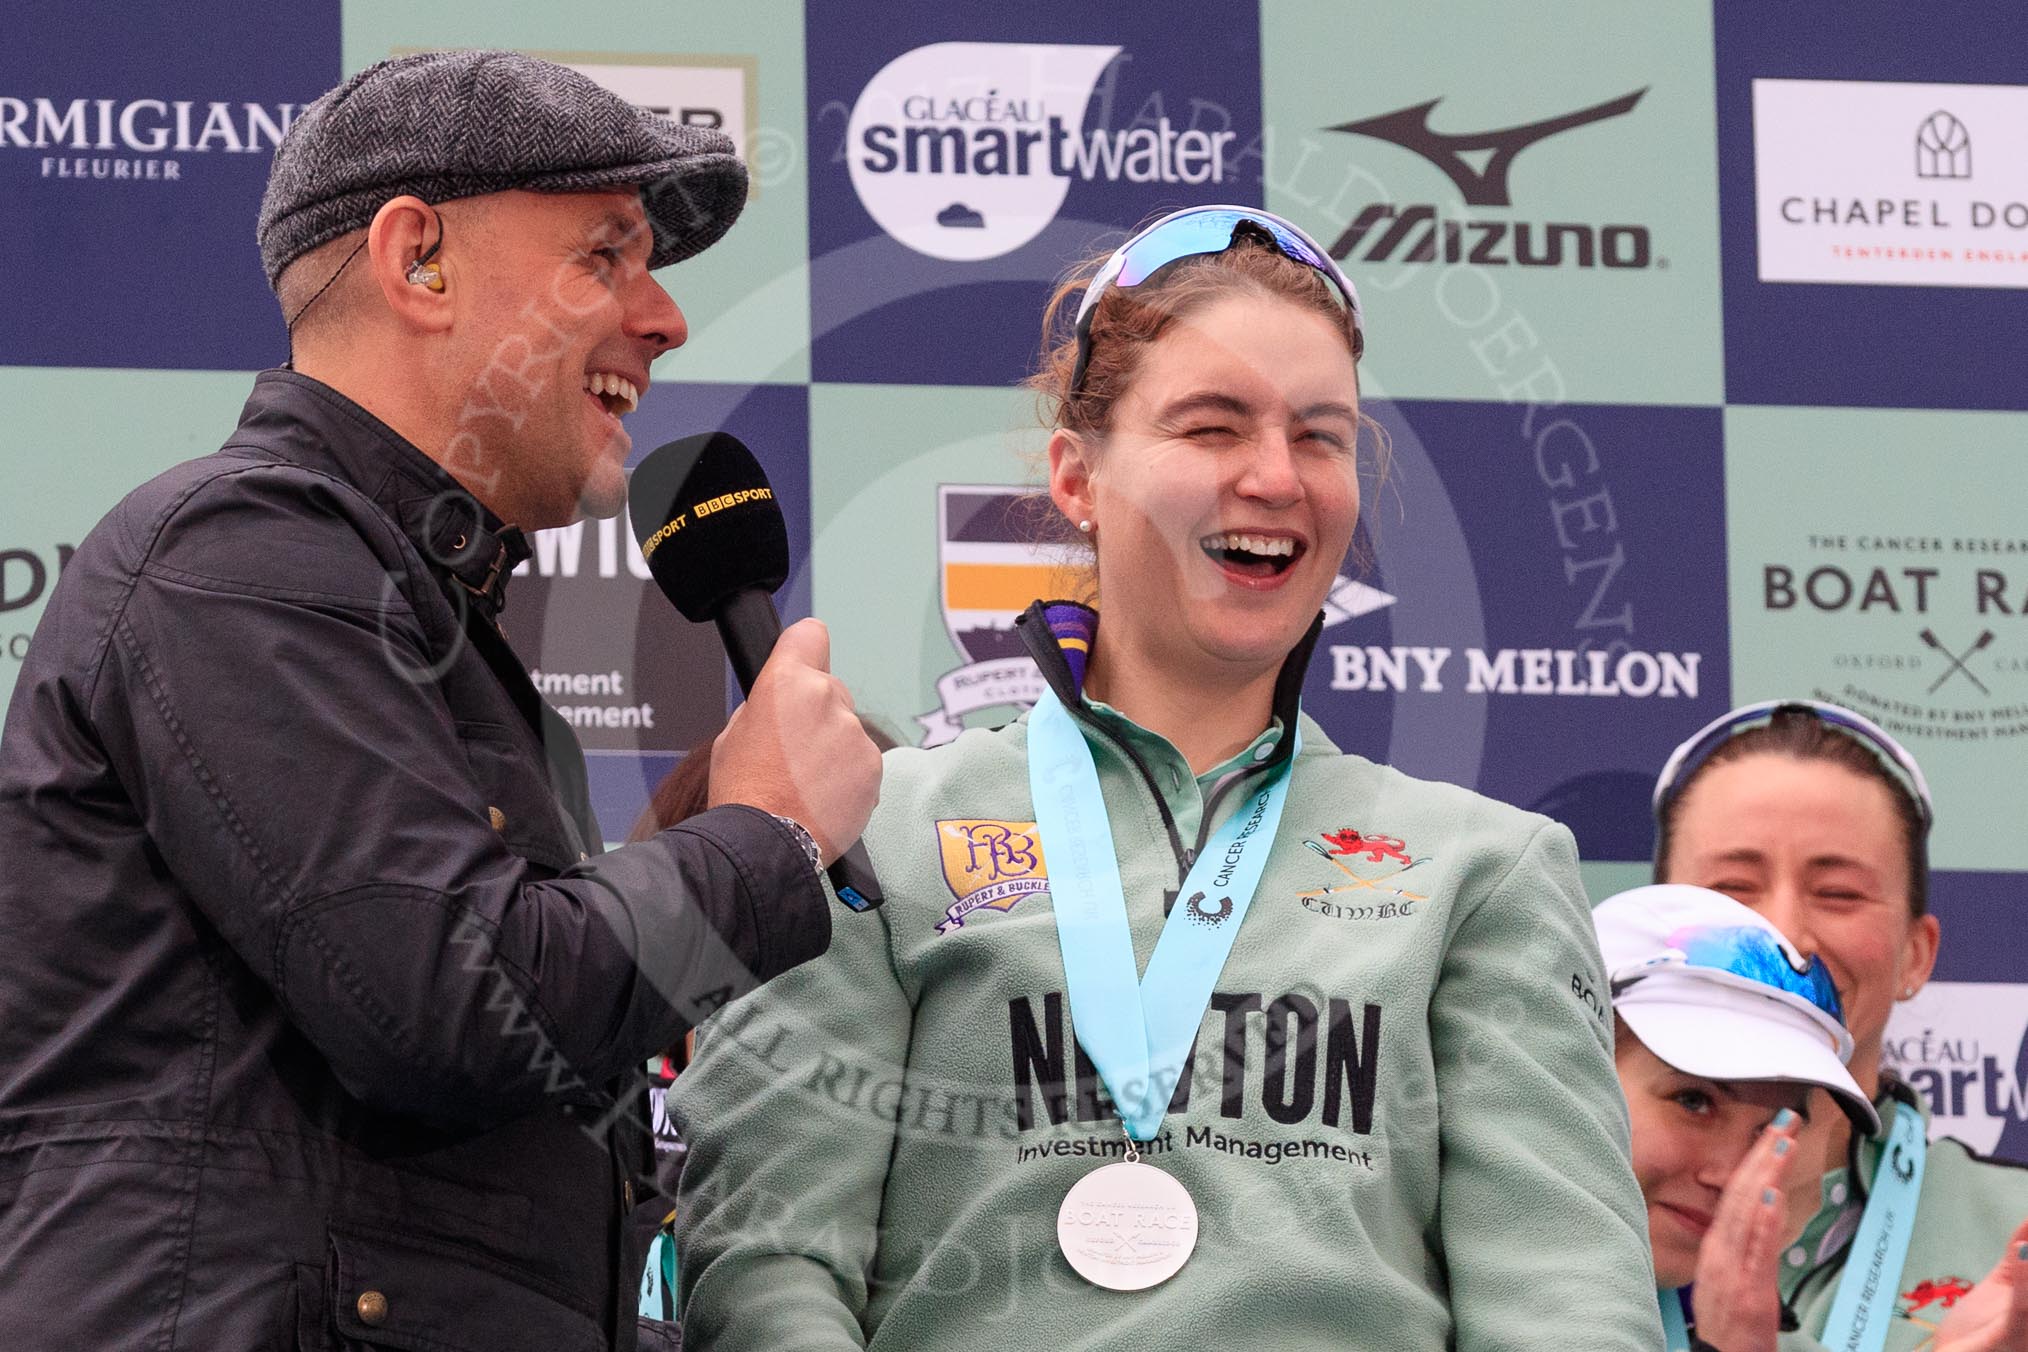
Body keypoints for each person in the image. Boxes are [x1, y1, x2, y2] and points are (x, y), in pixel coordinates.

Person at [0, 51, 880, 1352]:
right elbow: (455, 1009)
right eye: (605, 258)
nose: (667, 320)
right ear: (420, 263)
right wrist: (762, 838)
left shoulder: (417, 620)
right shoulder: (243, 550)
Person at [672, 205, 1663, 1349]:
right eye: (1212, 427)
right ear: (1078, 477)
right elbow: (768, 1268)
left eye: (1322, 435)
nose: (1276, 476)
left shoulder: (1483, 869)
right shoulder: (870, 832)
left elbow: (1565, 1305)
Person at [1653, 700, 2028, 1350]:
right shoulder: (1549, 1218)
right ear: (1659, 924)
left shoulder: (2012, 1233)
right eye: (1735, 886)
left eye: (1839, 894)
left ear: (1917, 953)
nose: (1787, 936)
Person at [1595, 882, 1882, 1351]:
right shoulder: (1435, 1302)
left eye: (1769, 1131)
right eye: (1693, 1101)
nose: (1729, 1175)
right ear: (1573, 1069)